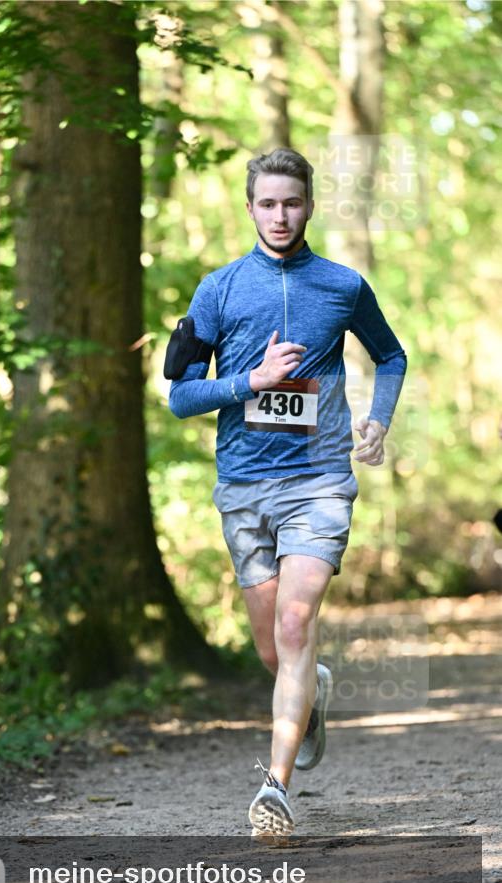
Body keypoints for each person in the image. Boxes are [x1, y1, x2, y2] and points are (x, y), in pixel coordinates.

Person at [167, 148, 407, 837]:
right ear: (249, 208)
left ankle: (274, 789)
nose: (280, 215)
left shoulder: (341, 285)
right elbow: (181, 397)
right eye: (267, 203)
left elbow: (389, 355)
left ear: (309, 205)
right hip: (243, 485)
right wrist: (251, 382)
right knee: (273, 650)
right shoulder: (217, 289)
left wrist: (377, 421)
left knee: (296, 625)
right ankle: (311, 694)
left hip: (319, 480)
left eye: (291, 202)